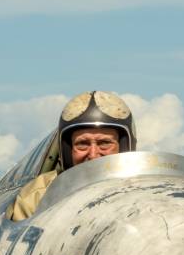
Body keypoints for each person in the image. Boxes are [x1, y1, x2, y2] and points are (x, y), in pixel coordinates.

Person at [10, 90, 136, 221]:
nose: (93, 155)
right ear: (68, 150)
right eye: (82, 144)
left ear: (123, 147)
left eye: (104, 143)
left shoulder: (143, 189)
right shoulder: (37, 198)